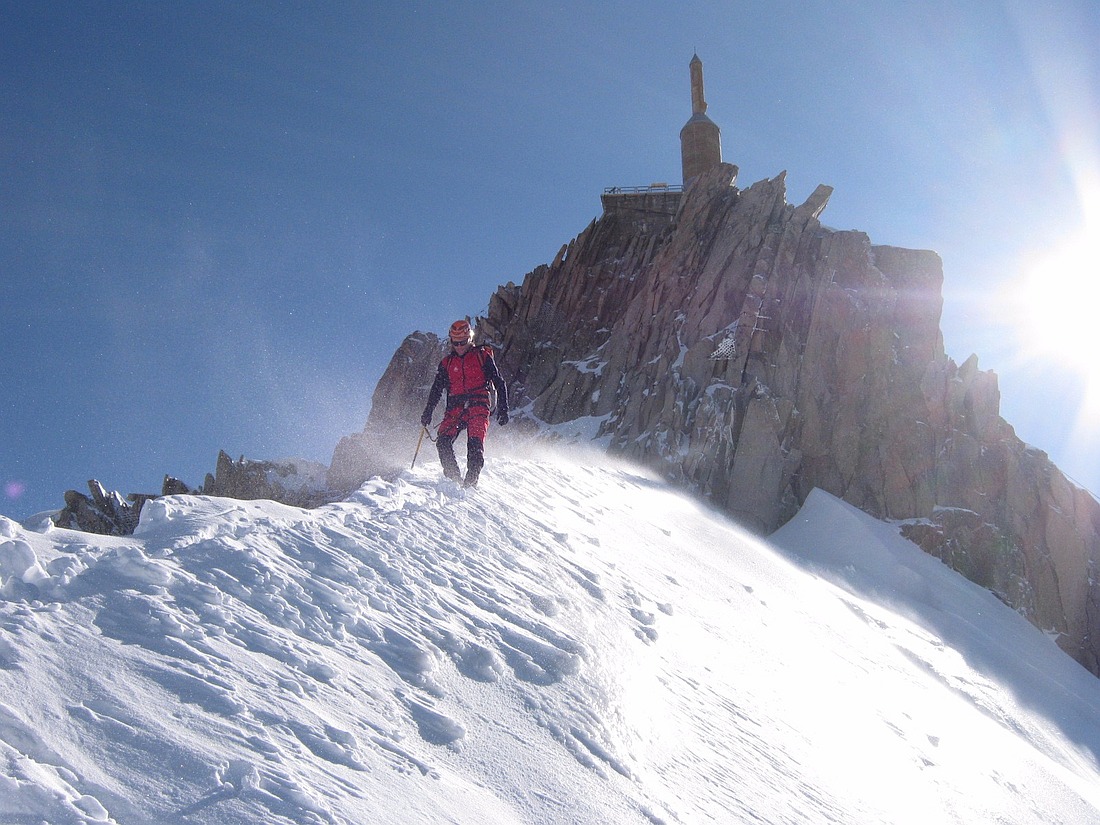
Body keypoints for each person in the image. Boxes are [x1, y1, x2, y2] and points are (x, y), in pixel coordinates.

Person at [420, 319, 508, 487]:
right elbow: (436, 390)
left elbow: (499, 381)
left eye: (462, 342)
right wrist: (428, 411)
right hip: (456, 407)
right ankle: (454, 480)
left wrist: (503, 408)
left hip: (478, 403)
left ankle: (470, 482)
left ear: (470, 339)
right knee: (443, 441)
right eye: (455, 342)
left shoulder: (482, 355)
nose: (459, 346)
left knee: (475, 443)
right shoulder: (447, 364)